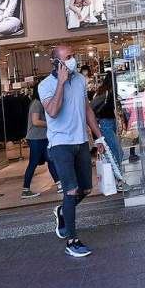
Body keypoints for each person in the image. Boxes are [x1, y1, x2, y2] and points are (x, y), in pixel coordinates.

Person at [39, 45, 105, 258]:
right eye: (68, 57)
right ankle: (72, 241)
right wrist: (61, 83)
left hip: (81, 141)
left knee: (86, 188)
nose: (72, 60)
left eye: (73, 56)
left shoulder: (80, 80)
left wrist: (98, 136)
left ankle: (62, 211)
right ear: (56, 62)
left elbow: (87, 109)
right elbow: (53, 111)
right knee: (71, 191)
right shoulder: (45, 85)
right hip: (60, 144)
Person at [21, 83, 62, 199]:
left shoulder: (39, 103)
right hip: (36, 138)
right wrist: (50, 124)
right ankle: (25, 190)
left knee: (50, 160)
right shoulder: (36, 104)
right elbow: (35, 121)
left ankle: (59, 184)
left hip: (42, 137)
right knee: (34, 163)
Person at [91, 72, 123, 167]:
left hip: (110, 123)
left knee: (114, 151)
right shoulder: (105, 93)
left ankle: (116, 172)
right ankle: (117, 173)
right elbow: (91, 107)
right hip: (105, 124)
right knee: (118, 152)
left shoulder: (109, 92)